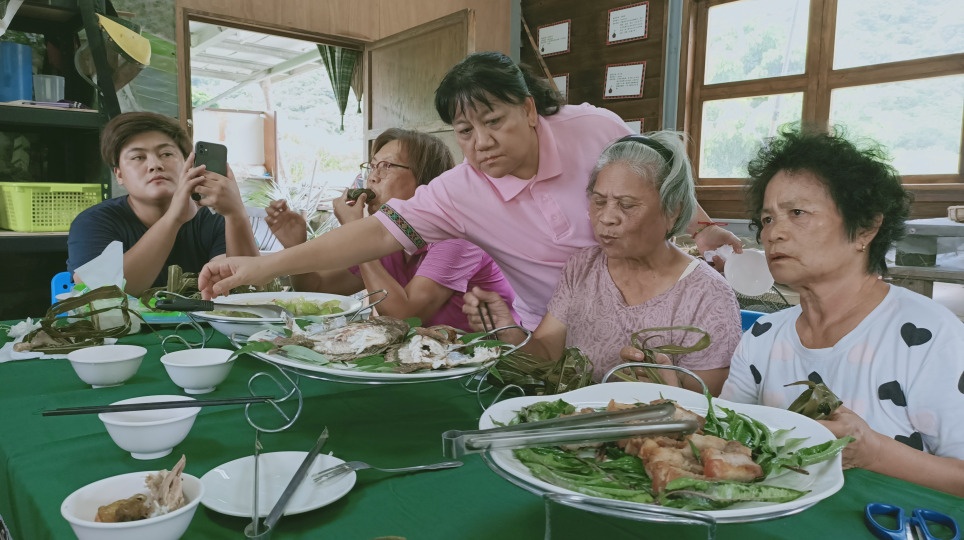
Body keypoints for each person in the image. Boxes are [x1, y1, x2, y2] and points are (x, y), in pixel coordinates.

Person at [198, 52, 741, 330]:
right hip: (551, 333)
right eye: (464, 131)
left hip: (648, 315)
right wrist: (260, 268)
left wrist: (703, 226)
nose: (481, 143)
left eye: (494, 121)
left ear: (529, 110)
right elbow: (372, 235)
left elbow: (657, 176)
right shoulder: (458, 192)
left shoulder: (594, 127)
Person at [719, 126, 964, 496]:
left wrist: (874, 453)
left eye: (797, 212)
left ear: (865, 228)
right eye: (767, 219)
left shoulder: (929, 337)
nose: (773, 234)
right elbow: (727, 441)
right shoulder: (762, 338)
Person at [461, 133, 741, 395]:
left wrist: (667, 388)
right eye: (599, 201)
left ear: (672, 211)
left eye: (626, 205)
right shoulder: (583, 267)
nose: (606, 218)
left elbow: (715, 400)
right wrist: (508, 332)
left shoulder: (708, 295)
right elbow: (547, 354)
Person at [264, 128, 519, 331]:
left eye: (387, 166)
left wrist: (355, 230)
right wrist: (295, 243)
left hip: (489, 367)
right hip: (427, 363)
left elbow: (405, 317)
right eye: (372, 166)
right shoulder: (388, 235)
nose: (372, 177)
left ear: (425, 182)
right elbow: (318, 289)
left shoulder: (457, 237)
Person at [67, 112, 258, 296]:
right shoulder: (93, 222)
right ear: (119, 175)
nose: (155, 165)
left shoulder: (213, 218)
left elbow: (245, 287)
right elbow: (99, 293)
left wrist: (236, 213)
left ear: (187, 164)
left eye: (166, 154)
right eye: (138, 157)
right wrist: (173, 219)